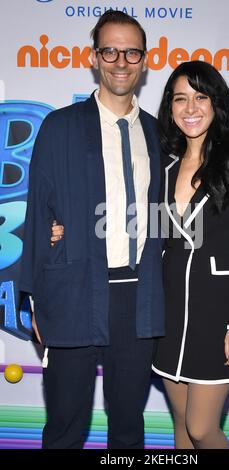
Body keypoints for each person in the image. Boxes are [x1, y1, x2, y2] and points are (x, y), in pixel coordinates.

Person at [19, 10, 164, 449]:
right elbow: (39, 215)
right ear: (95, 58)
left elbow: (167, 216)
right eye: (110, 50)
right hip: (73, 294)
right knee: (65, 427)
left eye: (131, 51)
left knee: (127, 429)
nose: (121, 61)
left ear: (144, 59)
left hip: (138, 300)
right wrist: (35, 300)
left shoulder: (161, 135)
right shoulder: (59, 127)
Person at [150, 61, 229, 449]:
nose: (190, 108)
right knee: (183, 423)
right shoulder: (164, 164)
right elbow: (148, 232)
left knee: (202, 428)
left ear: (216, 102)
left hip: (218, 316)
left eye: (200, 97)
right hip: (169, 313)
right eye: (180, 99)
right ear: (170, 107)